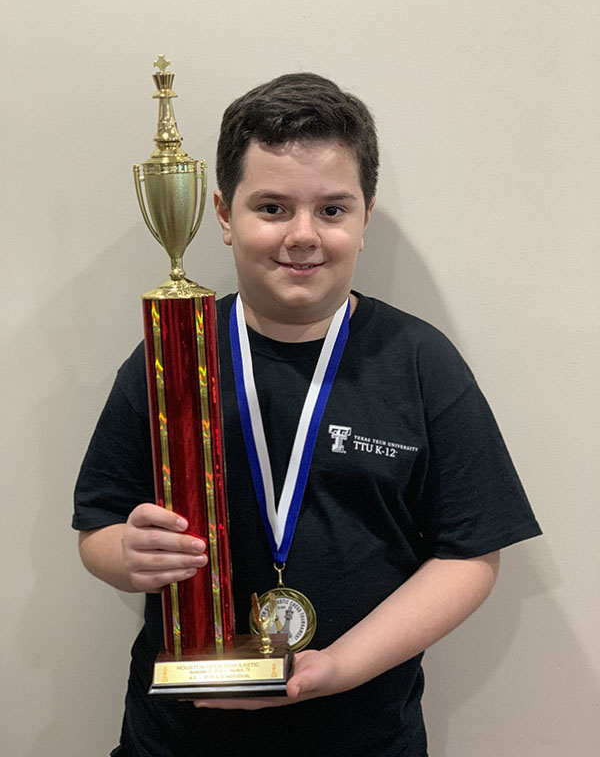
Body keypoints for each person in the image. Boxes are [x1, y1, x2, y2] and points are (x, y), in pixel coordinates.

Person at [73, 73, 541, 757]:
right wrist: (128, 553)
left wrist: (341, 665)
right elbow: (98, 526)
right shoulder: (172, 355)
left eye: (331, 210)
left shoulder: (420, 363)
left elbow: (469, 553)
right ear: (224, 215)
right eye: (271, 207)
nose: (302, 235)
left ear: (365, 216)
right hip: (180, 740)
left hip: (364, 736)